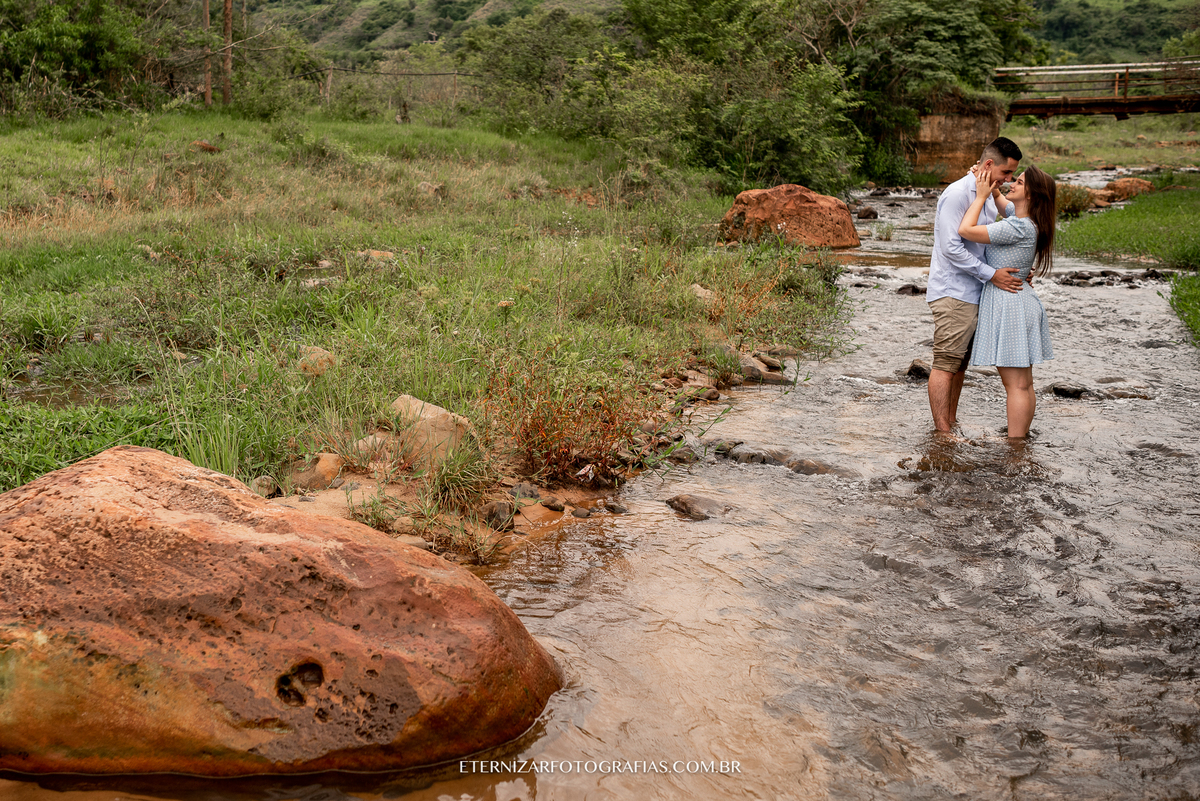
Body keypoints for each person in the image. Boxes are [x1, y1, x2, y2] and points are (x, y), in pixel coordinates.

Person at [926, 137, 1025, 433]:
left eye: (1012, 177)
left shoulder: (986, 194)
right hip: (953, 291)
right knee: (945, 363)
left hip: (973, 291)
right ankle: (943, 434)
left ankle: (950, 423)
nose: (1008, 181)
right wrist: (992, 274)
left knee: (960, 364)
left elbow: (986, 242)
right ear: (989, 165)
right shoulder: (958, 194)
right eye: (1006, 173)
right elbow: (951, 249)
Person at [958, 164, 1057, 439]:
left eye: (1020, 182)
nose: (1011, 183)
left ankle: (1015, 446)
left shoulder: (1016, 228)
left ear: (1032, 195)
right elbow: (1002, 202)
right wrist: (986, 180)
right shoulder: (1028, 220)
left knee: (1015, 386)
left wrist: (979, 196)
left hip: (1010, 304)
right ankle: (1021, 440)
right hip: (1022, 301)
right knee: (1024, 383)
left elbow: (965, 229)